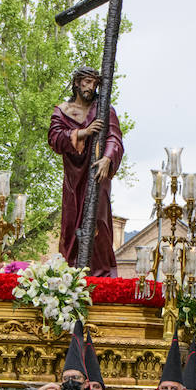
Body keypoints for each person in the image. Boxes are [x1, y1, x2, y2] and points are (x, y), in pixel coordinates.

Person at [48, 65, 124, 276]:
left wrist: (107, 158)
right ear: (76, 83)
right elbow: (54, 138)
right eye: (87, 82)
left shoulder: (103, 109)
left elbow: (114, 136)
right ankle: (72, 272)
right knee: (72, 223)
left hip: (97, 174)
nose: (91, 87)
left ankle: (100, 273)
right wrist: (82, 133)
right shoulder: (62, 110)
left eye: (94, 83)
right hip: (74, 177)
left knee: (98, 220)